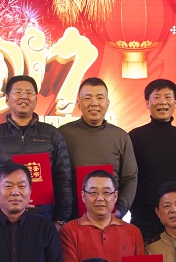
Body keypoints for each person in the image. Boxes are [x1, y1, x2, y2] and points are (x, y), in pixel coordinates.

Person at [0, 75, 74, 222]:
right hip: (0, 216)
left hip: (42, 217)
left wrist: (61, 219)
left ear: (36, 99)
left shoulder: (52, 134)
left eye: (29, 92)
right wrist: (0, 199)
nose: (24, 96)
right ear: (7, 98)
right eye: (18, 92)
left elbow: (63, 178)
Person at [59, 169, 147, 262]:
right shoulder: (69, 231)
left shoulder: (133, 232)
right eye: (93, 192)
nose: (100, 198)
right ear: (83, 196)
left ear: (115, 196)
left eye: (106, 192)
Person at [57, 78, 138, 217]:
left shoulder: (120, 136)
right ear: (78, 104)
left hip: (111, 217)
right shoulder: (63, 134)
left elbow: (130, 178)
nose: (94, 103)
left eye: (100, 98)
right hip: (73, 218)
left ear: (107, 103)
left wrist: (119, 210)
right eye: (87, 98)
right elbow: (56, 177)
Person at [128, 79, 176, 240]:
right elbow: (129, 176)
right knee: (147, 256)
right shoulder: (135, 137)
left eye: (168, 97)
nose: (162, 102)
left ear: (175, 103)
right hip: (144, 218)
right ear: (147, 103)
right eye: (157, 97)